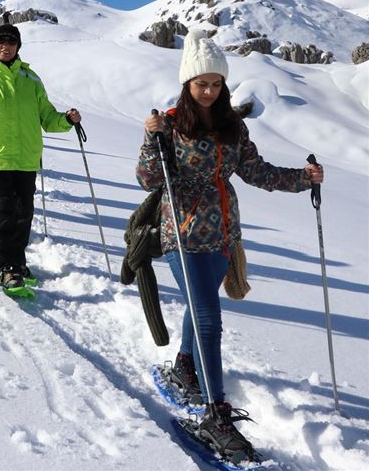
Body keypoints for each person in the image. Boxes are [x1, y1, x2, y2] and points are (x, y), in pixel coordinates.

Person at [135, 29, 324, 462]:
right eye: (201, 83)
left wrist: (302, 179)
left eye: (216, 83)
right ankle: (215, 414)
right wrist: (152, 139)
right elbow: (147, 179)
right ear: (187, 84)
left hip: (222, 234)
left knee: (199, 307)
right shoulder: (168, 125)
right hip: (181, 235)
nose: (209, 90)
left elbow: (256, 171)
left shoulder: (232, 127)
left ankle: (186, 365)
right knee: (208, 316)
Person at [0, 24, 81, 289]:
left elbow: (47, 117)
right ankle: (7, 268)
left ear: (18, 47)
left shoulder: (31, 79)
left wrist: (66, 120)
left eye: (11, 42)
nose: (5, 47)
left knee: (24, 215)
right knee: (4, 214)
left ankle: (18, 262)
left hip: (27, 158)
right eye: (0, 42)